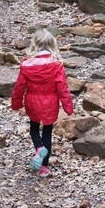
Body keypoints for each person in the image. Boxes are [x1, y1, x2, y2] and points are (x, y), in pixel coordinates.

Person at [10, 28, 73, 178]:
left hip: (32, 101)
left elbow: (19, 87)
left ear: (34, 45)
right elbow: (62, 87)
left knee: (33, 129)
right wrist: (68, 106)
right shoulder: (56, 65)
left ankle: (39, 148)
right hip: (50, 102)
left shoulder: (26, 65)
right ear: (52, 45)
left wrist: (16, 103)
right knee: (47, 132)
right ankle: (44, 168)